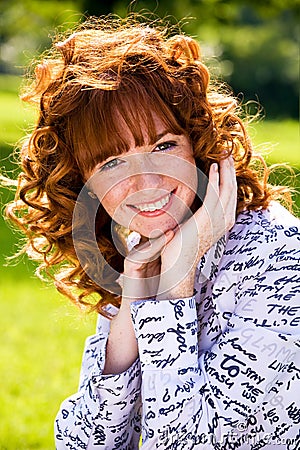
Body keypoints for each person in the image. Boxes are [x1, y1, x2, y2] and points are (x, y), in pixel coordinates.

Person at [5, 14, 300, 450]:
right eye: (112, 163)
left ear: (197, 143)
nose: (146, 183)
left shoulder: (280, 263)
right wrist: (133, 296)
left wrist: (176, 286)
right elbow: (85, 444)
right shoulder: (148, 246)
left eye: (163, 147)